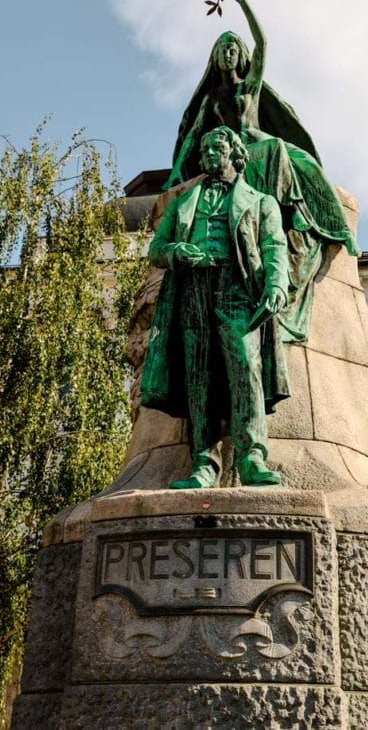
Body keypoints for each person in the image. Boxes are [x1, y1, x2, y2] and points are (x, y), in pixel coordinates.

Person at [164, 0, 360, 342]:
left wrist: (242, 3)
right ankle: (297, 211)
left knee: (293, 155)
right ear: (214, 57)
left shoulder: (249, 86)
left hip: (257, 145)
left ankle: (313, 218)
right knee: (278, 151)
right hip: (235, 155)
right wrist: (176, 175)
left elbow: (264, 43)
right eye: (222, 48)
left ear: (240, 54)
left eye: (232, 48)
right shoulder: (212, 100)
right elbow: (193, 138)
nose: (228, 53)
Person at [141, 126, 290, 489]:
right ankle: (204, 463)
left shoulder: (260, 202)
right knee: (198, 376)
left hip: (237, 287)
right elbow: (157, 248)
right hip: (193, 288)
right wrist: (176, 252)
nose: (209, 153)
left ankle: (252, 456)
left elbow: (274, 248)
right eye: (205, 147)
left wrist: (276, 285)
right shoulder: (182, 203)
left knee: (246, 373)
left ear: (236, 155)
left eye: (217, 147)